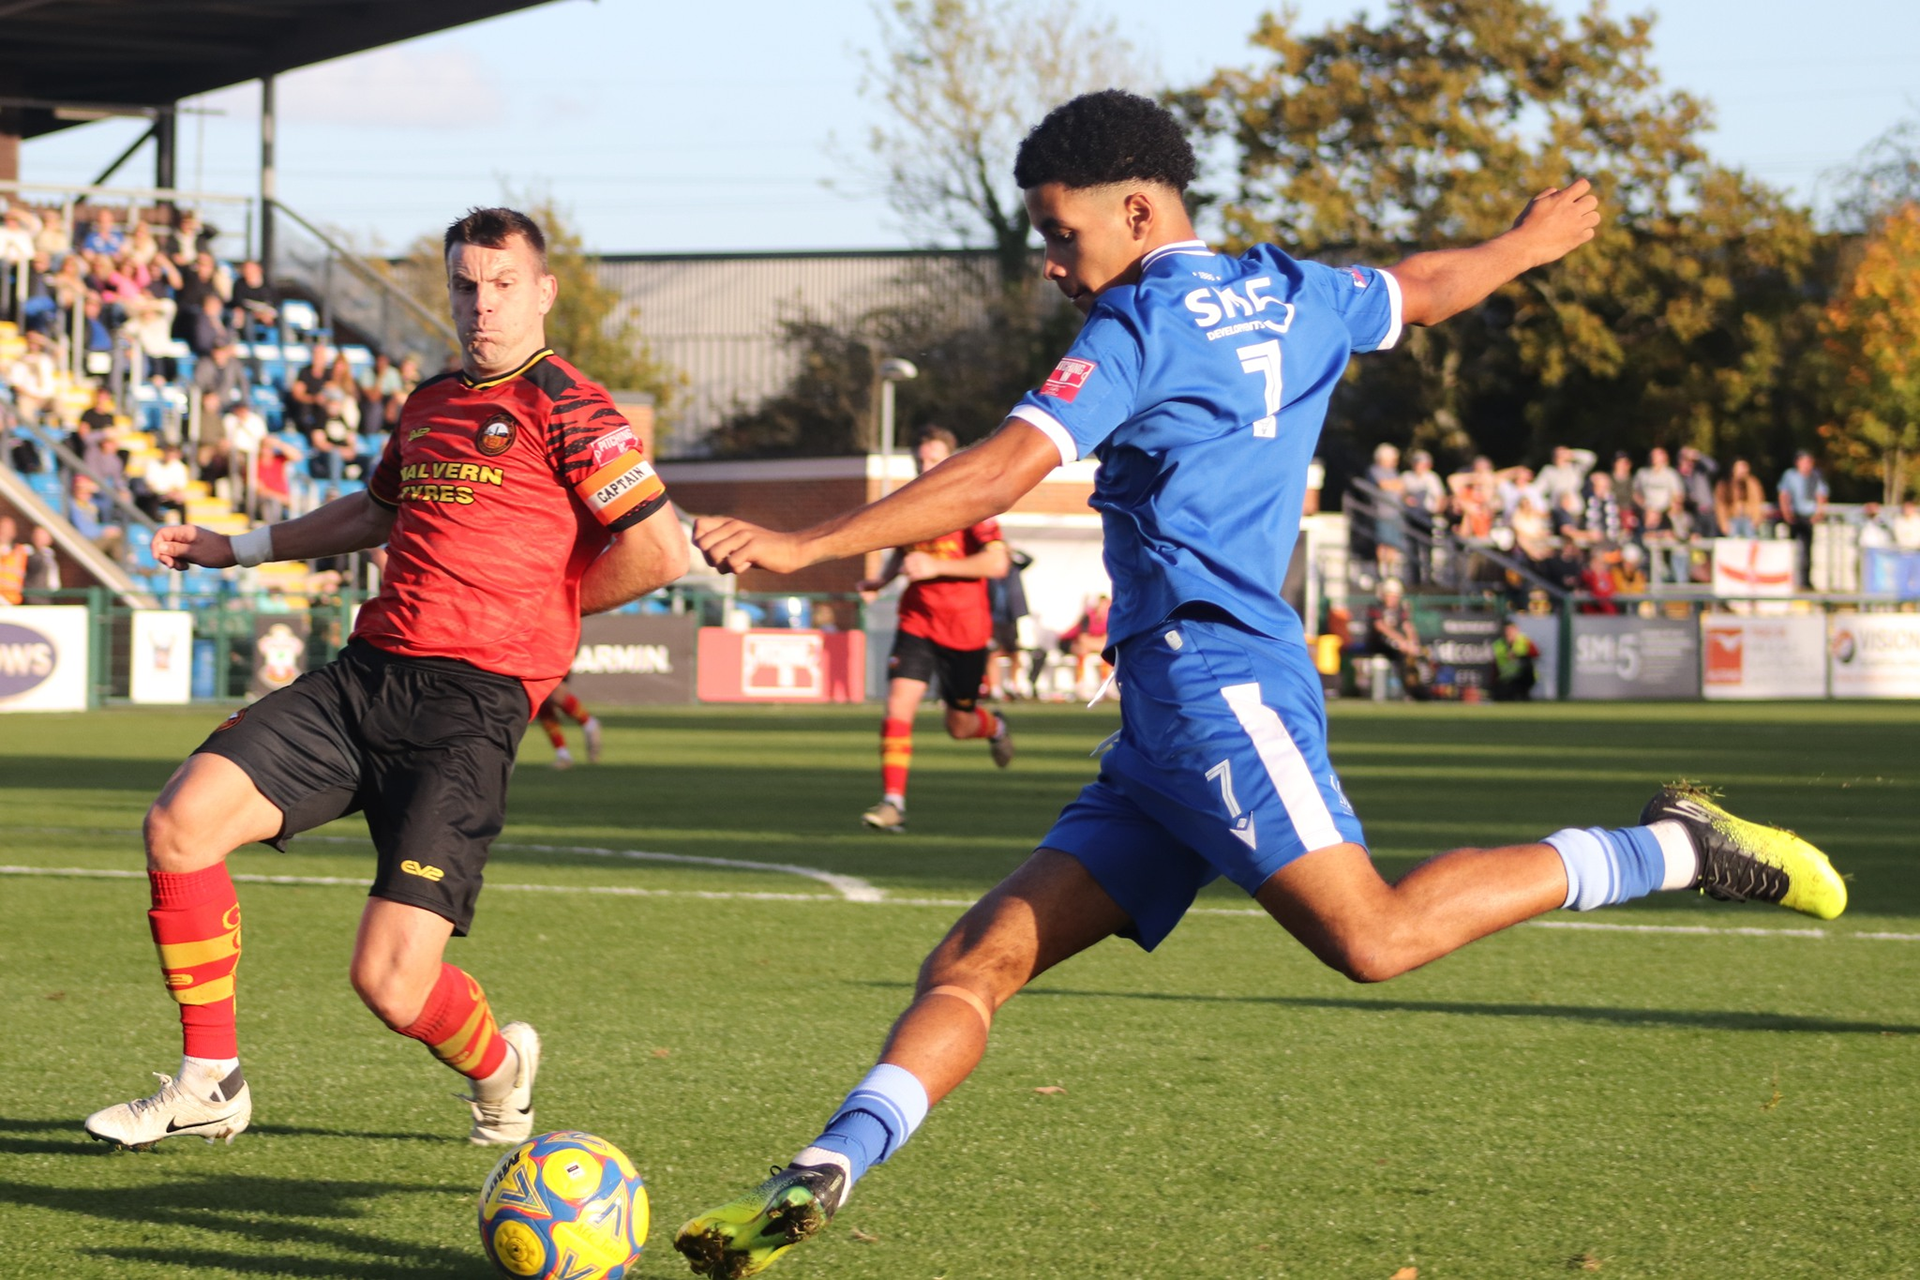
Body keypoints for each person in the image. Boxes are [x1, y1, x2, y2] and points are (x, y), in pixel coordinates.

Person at [677, 91, 1847, 1278]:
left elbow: (1000, 468)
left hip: (1214, 687)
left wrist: (808, 540)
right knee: (978, 959)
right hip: (1168, 722)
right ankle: (822, 1169)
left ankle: (1678, 848)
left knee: (1375, 937)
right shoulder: (1295, 290)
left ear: (1135, 208)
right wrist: (1522, 246)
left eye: (1060, 233)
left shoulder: (1138, 327)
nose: (1049, 264)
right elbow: (1425, 288)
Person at [81, 205, 689, 1152]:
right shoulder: (432, 400)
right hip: (364, 680)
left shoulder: (572, 406)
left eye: (501, 284)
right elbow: (372, 515)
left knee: (391, 983)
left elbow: (658, 550)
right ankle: (211, 1080)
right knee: (181, 824)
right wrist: (235, 546)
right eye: (464, 284)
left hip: (470, 710)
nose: (480, 304)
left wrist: (547, 614)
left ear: (542, 292)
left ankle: (500, 1066)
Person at [853, 425, 1014, 833]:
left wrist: (939, 566)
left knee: (959, 726)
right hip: (917, 622)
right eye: (921, 459)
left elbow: (997, 564)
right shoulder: (908, 501)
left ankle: (995, 727)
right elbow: (903, 552)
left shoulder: (972, 501)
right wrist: (881, 582)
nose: (926, 466)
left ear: (951, 458)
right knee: (897, 707)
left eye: (934, 458)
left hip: (965, 629)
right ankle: (893, 803)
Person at [1364, 576, 1423, 697]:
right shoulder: (1376, 607)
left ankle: (1420, 688)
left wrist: (1413, 642)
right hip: (1378, 644)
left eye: (1395, 596)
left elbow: (1408, 626)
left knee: (1416, 654)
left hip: (1397, 645)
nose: (1392, 599)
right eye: (1390, 595)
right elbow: (1380, 627)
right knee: (1399, 650)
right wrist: (1401, 641)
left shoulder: (1401, 608)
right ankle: (1408, 690)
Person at [1777, 451, 1827, 588]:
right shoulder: (1790, 476)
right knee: (1790, 548)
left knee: (1808, 551)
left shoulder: (1815, 476)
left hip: (1808, 517)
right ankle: (1788, 579)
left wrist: (1818, 513)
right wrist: (1786, 512)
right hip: (1793, 516)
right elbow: (1784, 494)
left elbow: (1821, 494)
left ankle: (1805, 581)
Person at [534, 681, 603, 770]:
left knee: (556, 696)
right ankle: (563, 755)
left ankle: (588, 723)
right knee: (543, 702)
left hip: (551, 669)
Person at [1714, 458, 1767, 538]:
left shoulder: (1753, 484)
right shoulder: (1724, 484)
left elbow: (1758, 503)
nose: (1743, 470)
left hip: (1749, 519)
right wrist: (1723, 523)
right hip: (1731, 519)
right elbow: (1720, 505)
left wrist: (1757, 519)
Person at [1490, 617, 1537, 701]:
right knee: (1500, 695)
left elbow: (1535, 654)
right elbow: (1495, 666)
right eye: (1506, 630)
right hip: (1506, 679)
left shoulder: (1525, 641)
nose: (1508, 633)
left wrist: (1518, 656)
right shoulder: (1498, 644)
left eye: (1511, 630)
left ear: (1516, 630)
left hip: (1523, 678)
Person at [21, 523, 61, 599]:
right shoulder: (25, 552)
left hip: (45, 599)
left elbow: (54, 583)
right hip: (29, 598)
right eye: (37, 535)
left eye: (42, 536)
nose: (39, 538)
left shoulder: (51, 558)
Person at [0, 517, 25, 605]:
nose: (3, 532)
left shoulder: (20, 552)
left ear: (14, 532)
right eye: (2, 528)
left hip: (12, 602)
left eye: (7, 529)